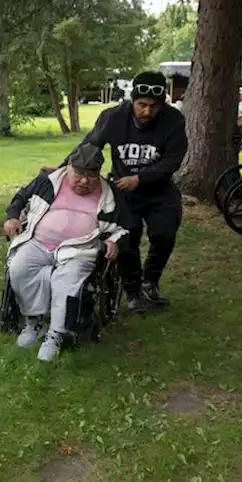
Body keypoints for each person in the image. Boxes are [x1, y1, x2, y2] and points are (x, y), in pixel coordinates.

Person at [2, 144, 127, 361]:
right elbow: (20, 198)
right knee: (19, 267)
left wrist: (115, 240)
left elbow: (125, 226)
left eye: (91, 176)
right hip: (39, 241)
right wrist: (13, 216)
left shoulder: (110, 193)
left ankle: (56, 334)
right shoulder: (48, 181)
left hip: (79, 249)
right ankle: (34, 322)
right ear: (68, 167)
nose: (85, 181)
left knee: (66, 282)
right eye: (79, 174)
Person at [81, 71, 187, 314]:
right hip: (123, 191)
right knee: (126, 239)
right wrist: (64, 168)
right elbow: (89, 145)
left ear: (162, 103)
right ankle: (132, 290)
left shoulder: (174, 120)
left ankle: (151, 281)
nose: (147, 112)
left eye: (153, 106)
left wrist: (140, 178)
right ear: (132, 100)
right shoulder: (113, 117)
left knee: (164, 235)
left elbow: (173, 159)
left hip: (160, 190)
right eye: (142, 105)